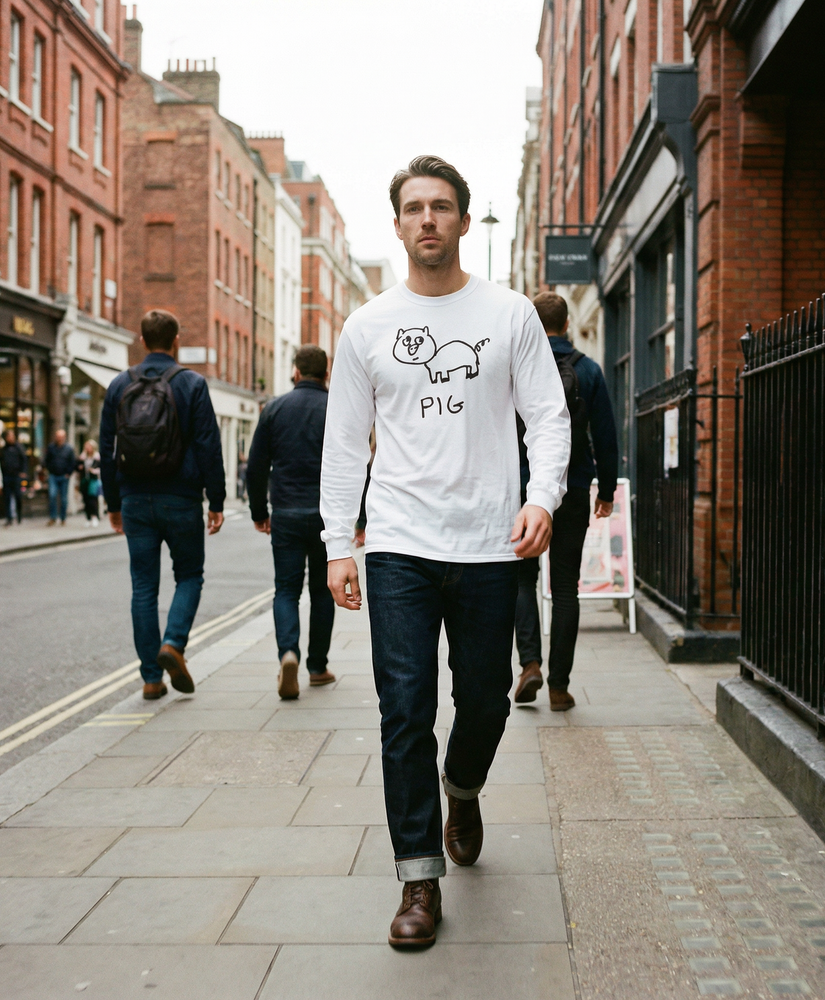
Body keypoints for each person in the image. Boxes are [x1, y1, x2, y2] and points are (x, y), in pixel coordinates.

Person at [320, 155, 570, 949]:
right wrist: (337, 543)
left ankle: (462, 789)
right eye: (414, 208)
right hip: (398, 544)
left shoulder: (509, 315)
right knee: (404, 710)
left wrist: (543, 496)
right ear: (397, 225)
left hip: (491, 544)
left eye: (442, 207)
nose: (428, 219)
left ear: (462, 220)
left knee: (488, 699)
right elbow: (342, 447)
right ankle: (418, 879)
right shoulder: (367, 327)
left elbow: (549, 417)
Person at [100, 309, 226, 700]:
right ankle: (173, 642)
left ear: (141, 340)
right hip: (181, 498)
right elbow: (208, 445)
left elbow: (107, 449)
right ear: (176, 341)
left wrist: (113, 502)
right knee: (189, 575)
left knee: (143, 587)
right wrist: (216, 500)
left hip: (135, 499)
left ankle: (151, 678)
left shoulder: (120, 384)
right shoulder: (191, 384)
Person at [512, 292, 620, 710]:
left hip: (525, 492)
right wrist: (607, 492)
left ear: (533, 326)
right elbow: (606, 439)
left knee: (523, 580)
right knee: (565, 589)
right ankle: (559, 687)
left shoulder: (519, 370)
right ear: (568, 323)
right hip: (573, 489)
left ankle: (530, 664)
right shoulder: (589, 370)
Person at [247, 344, 336, 699]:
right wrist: (359, 517)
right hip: (326, 515)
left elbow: (255, 467)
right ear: (326, 373)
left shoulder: (274, 409)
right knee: (321, 590)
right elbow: (355, 462)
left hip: (285, 512)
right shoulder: (335, 407)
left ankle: (288, 652)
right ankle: (317, 666)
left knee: (286, 589)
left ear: (296, 371)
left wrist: (259, 512)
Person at [44, 428, 77, 525]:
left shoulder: (68, 449)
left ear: (64, 437)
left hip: (64, 476)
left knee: (63, 498)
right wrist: (49, 470)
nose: (59, 439)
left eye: (61, 437)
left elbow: (72, 462)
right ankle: (53, 517)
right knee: (52, 495)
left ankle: (63, 518)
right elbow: (46, 460)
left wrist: (68, 473)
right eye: (58, 436)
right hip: (53, 475)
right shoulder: (51, 447)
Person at [0, 429, 27, 526]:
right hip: (6, 475)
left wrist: (23, 472)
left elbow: (24, 460)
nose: (11, 438)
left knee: (18, 496)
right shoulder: (3, 449)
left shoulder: (19, 448)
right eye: (9, 436)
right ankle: (8, 518)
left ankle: (19, 515)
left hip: (16, 475)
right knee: (7, 497)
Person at [78, 439, 102, 527]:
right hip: (85, 480)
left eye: (89, 447)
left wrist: (94, 470)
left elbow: (100, 467)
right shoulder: (83, 456)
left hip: (93, 480)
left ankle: (95, 517)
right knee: (85, 499)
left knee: (92, 499)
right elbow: (78, 466)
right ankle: (88, 518)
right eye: (86, 447)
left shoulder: (97, 456)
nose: (87, 448)